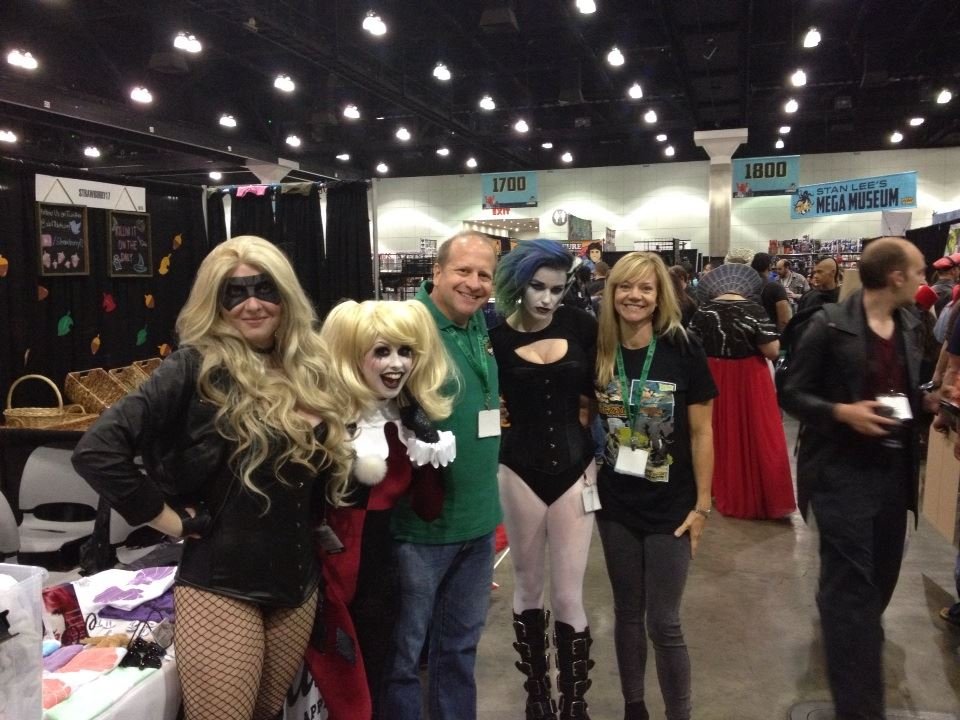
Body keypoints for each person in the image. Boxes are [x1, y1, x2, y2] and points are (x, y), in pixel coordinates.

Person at [71, 235, 352, 720]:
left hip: (296, 584)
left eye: (264, 288)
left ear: (286, 294)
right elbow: (97, 451)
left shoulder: (308, 368)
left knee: (267, 714)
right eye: (234, 293)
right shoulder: (194, 367)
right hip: (222, 587)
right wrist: (170, 522)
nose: (252, 304)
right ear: (215, 303)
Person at [781, 237, 926, 720]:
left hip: (892, 476)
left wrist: (932, 402)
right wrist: (843, 412)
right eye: (919, 271)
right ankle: (861, 709)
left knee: (879, 584)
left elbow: (907, 393)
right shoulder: (827, 325)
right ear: (895, 276)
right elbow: (791, 393)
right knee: (852, 597)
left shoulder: (911, 324)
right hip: (839, 475)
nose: (924, 280)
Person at [307, 300, 456, 720]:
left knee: (370, 682)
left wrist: (427, 444)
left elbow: (428, 508)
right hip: (321, 576)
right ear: (352, 355)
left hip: (379, 577)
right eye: (382, 351)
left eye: (405, 351)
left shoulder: (402, 423)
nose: (396, 364)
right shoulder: (323, 419)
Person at [381, 232, 501, 720]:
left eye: (484, 275)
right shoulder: (408, 327)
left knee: (460, 648)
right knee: (404, 657)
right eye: (463, 271)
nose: (474, 283)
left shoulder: (479, 324)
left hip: (478, 520)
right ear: (436, 272)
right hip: (420, 528)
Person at [593, 252, 717, 720]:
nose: (635, 296)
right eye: (625, 287)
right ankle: (634, 707)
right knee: (627, 613)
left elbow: (702, 432)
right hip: (616, 504)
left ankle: (678, 714)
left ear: (660, 294)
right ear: (611, 292)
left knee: (664, 622)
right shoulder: (599, 348)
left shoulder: (683, 347)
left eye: (646, 288)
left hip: (672, 506)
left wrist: (702, 506)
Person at [489, 239, 599, 720]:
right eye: (538, 287)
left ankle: (574, 705)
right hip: (517, 470)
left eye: (557, 289)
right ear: (519, 284)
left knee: (570, 593)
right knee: (528, 586)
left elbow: (604, 387)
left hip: (577, 470)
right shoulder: (494, 338)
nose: (548, 299)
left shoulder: (582, 325)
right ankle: (537, 698)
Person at [689, 263, 796, 519]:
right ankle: (750, 493)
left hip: (711, 374)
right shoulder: (754, 309)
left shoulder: (704, 310)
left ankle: (713, 488)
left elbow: (690, 345)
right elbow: (771, 351)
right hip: (749, 377)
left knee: (711, 431)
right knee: (756, 431)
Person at [751, 252, 791, 331]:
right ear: (769, 266)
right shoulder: (776, 287)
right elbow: (784, 321)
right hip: (769, 333)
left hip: (748, 332)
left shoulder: (745, 286)